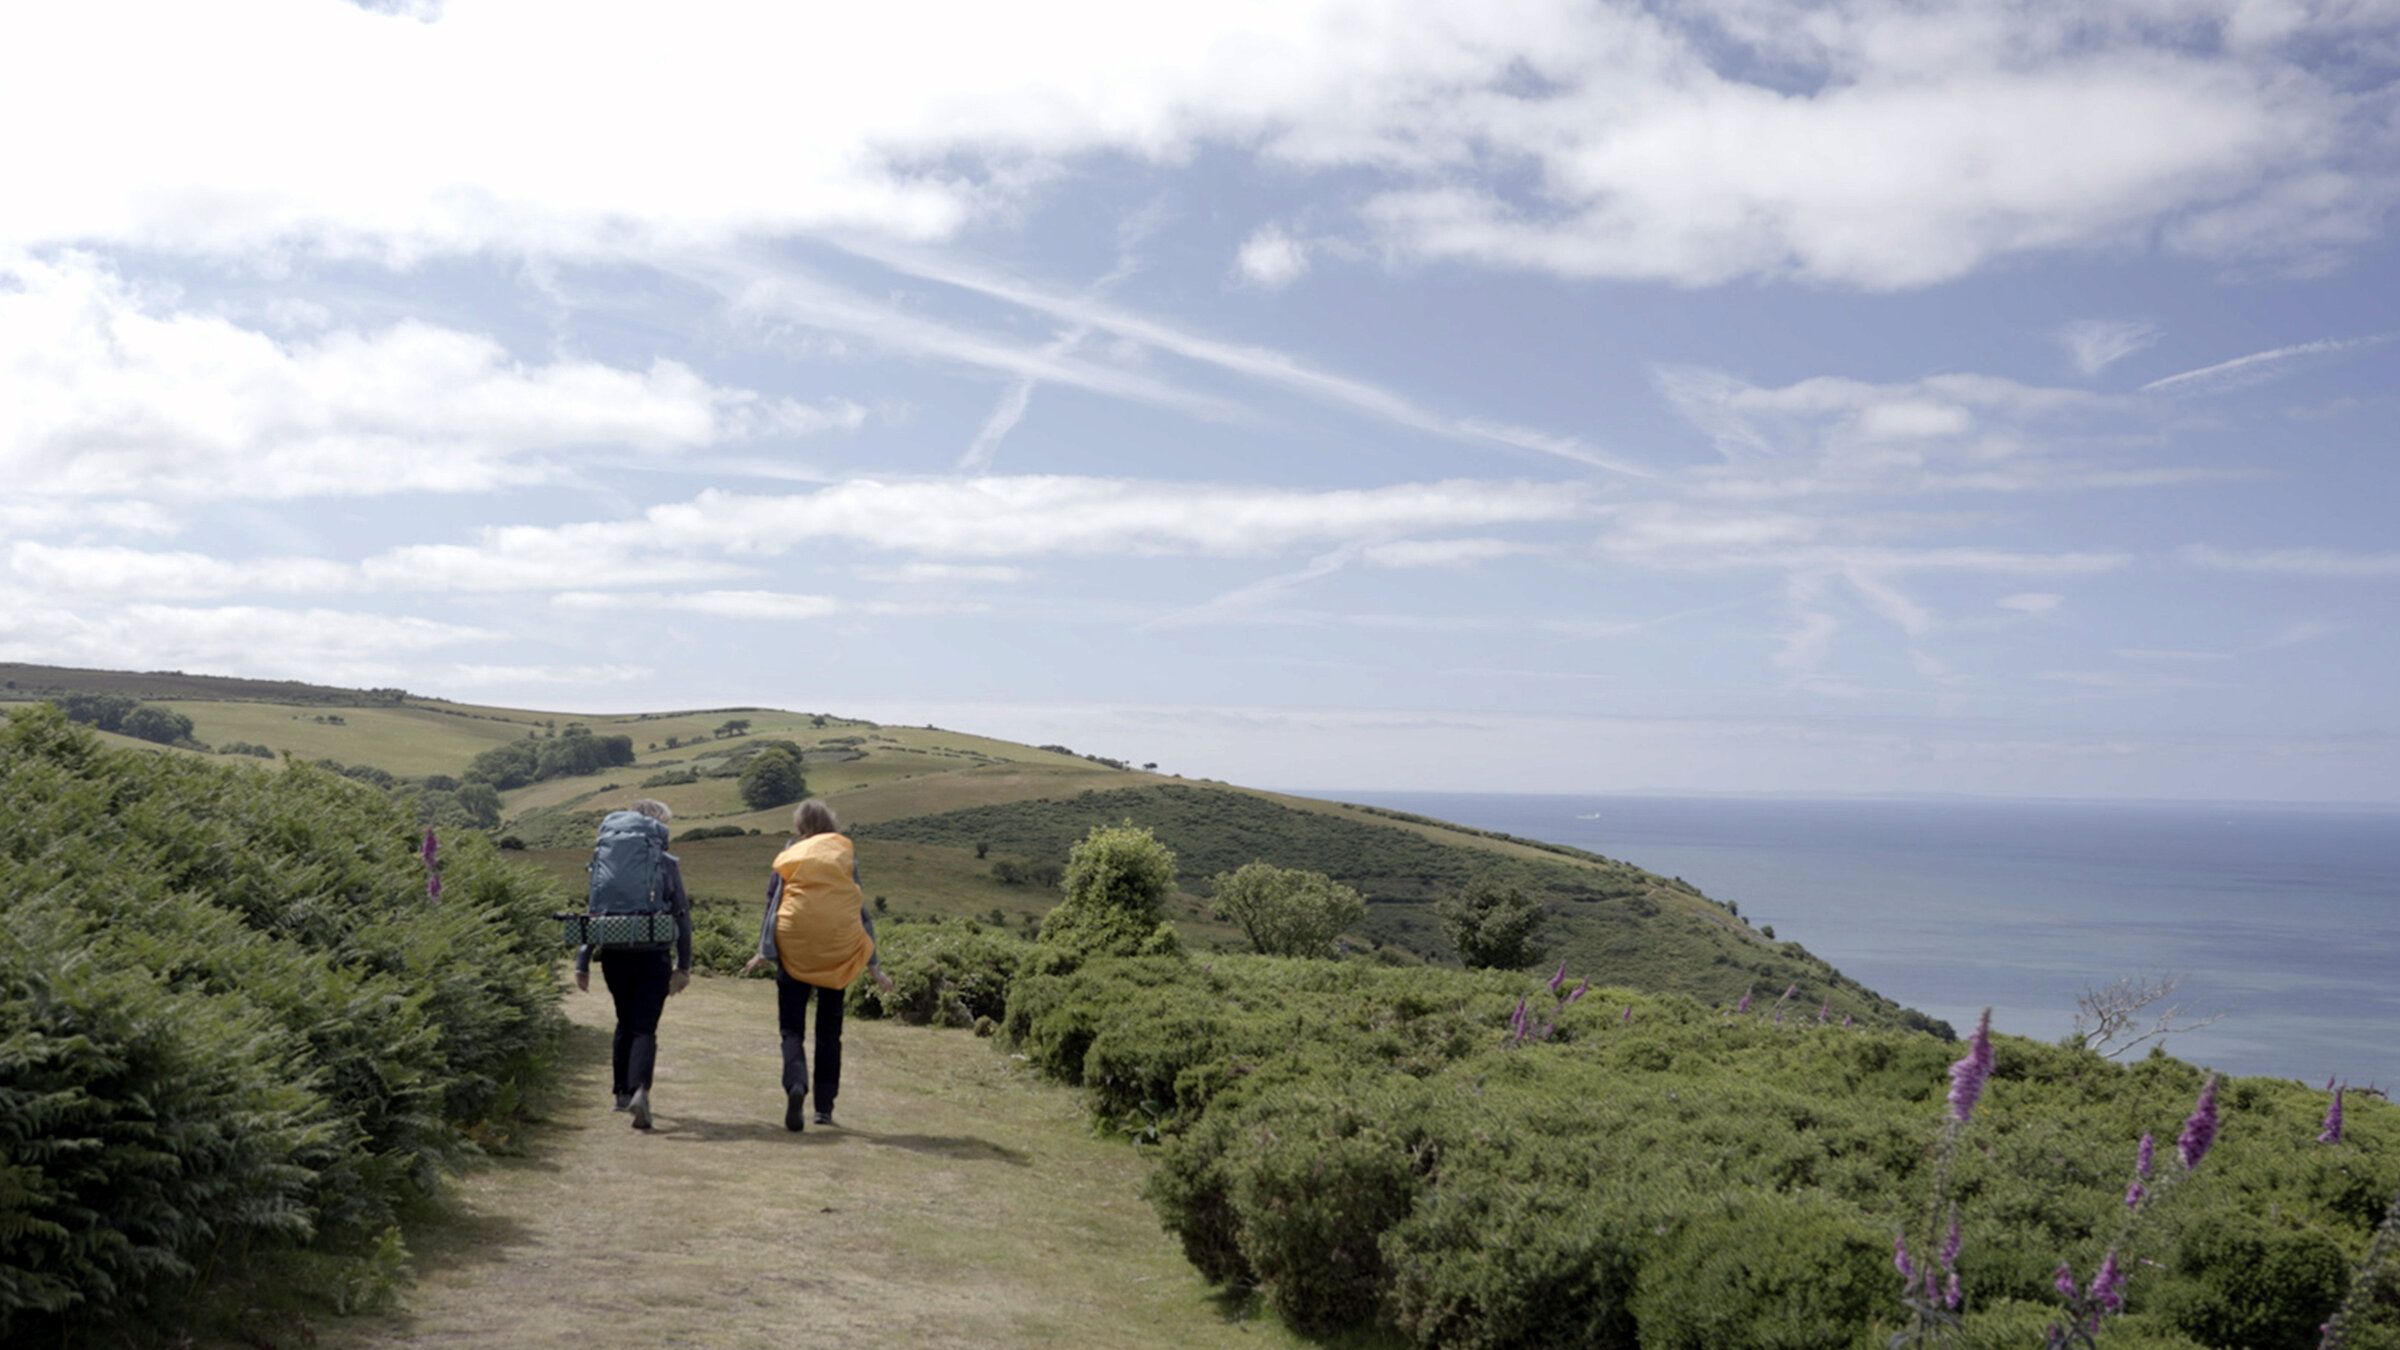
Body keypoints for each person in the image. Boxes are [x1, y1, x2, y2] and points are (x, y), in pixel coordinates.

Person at [745, 798, 894, 1132]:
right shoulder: (845, 854)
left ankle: (796, 1084)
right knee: (829, 1032)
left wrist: (764, 951)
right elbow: (857, 907)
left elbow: (774, 905)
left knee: (791, 1028)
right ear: (831, 824)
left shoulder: (790, 854)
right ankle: (824, 1108)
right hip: (836, 949)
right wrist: (873, 964)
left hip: (793, 944)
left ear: (800, 827)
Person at [573, 798, 692, 1131]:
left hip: (613, 954)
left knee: (624, 1020)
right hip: (653, 953)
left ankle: (621, 1094)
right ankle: (641, 1089)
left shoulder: (605, 858)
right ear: (657, 826)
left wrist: (582, 961)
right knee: (645, 1026)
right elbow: (681, 913)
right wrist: (684, 963)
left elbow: (593, 911)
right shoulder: (666, 863)